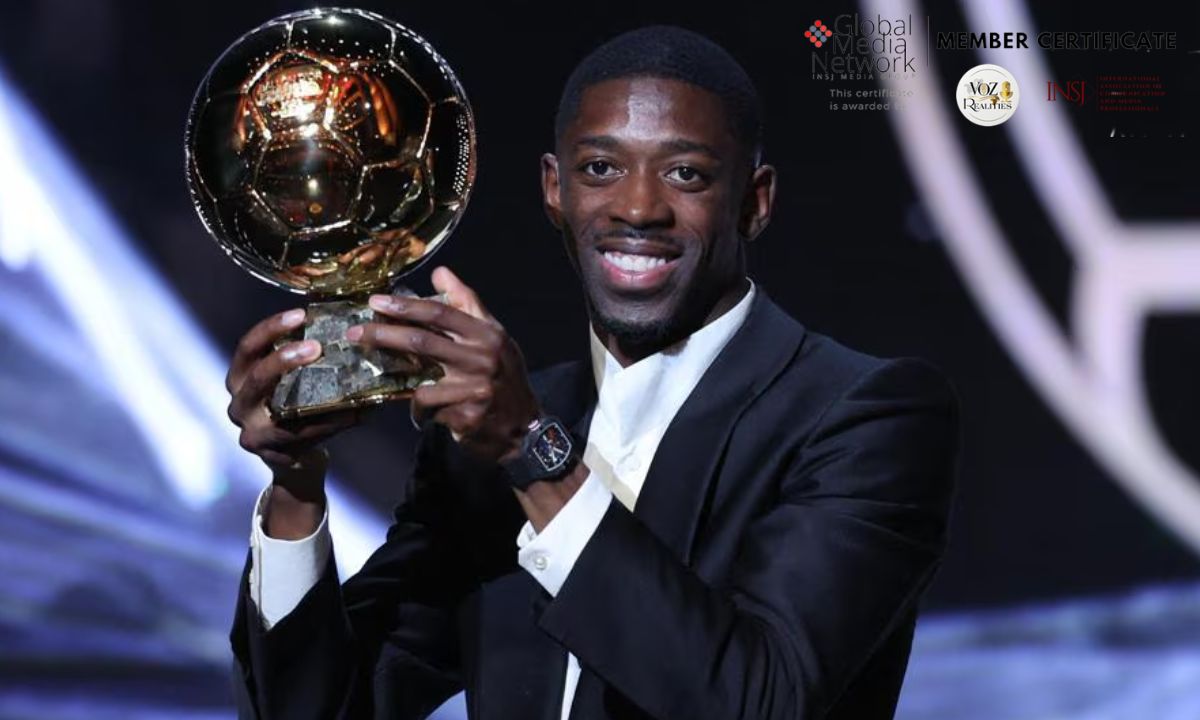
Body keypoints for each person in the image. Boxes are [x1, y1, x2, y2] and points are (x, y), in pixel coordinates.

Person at [225, 25, 960, 720]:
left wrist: (531, 451)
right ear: (555, 190)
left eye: (686, 174)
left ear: (754, 202)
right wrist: (295, 484)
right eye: (601, 169)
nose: (639, 207)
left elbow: (759, 698)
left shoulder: (863, 414)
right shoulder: (491, 436)